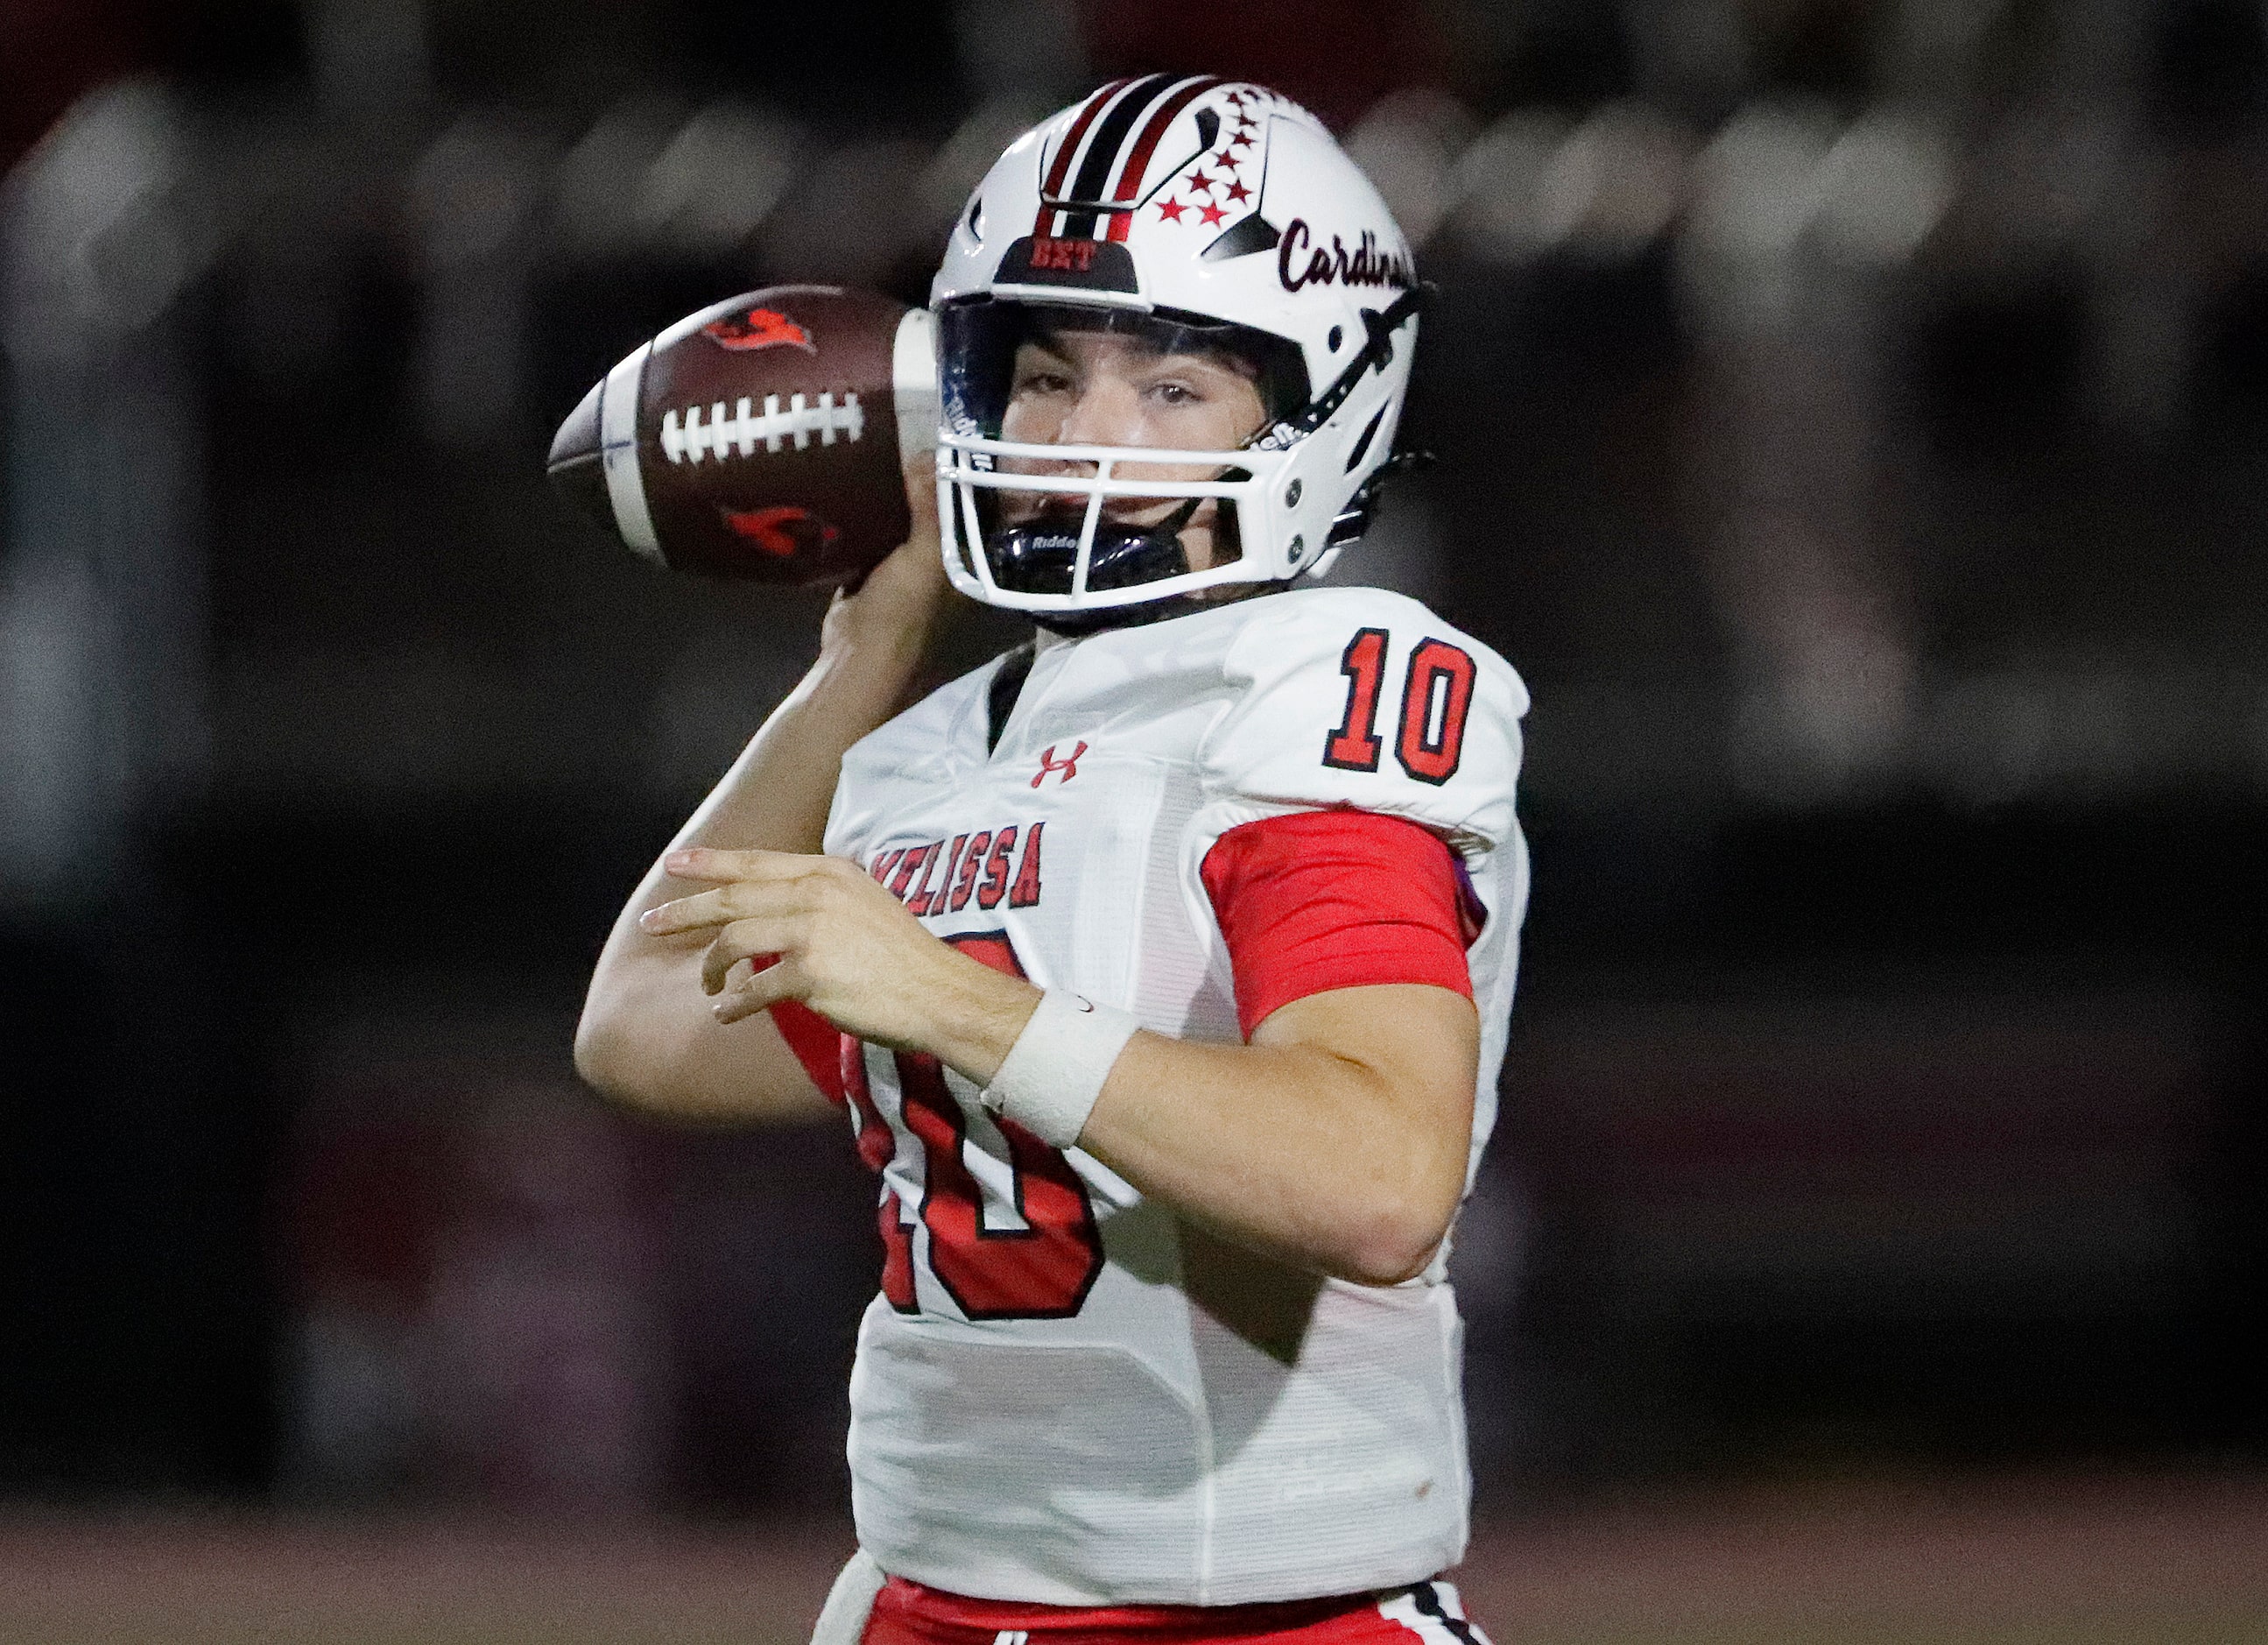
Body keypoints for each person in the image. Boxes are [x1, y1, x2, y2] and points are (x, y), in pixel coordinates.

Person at [575, 76, 1530, 1643]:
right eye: (1038, 378)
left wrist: (956, 1005)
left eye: (1169, 389)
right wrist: (859, 658)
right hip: (927, 1598)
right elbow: (645, 1029)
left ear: (1317, 406)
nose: (1082, 434)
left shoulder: (1313, 682)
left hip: (1256, 1613)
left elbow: (1375, 1180)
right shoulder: (938, 744)